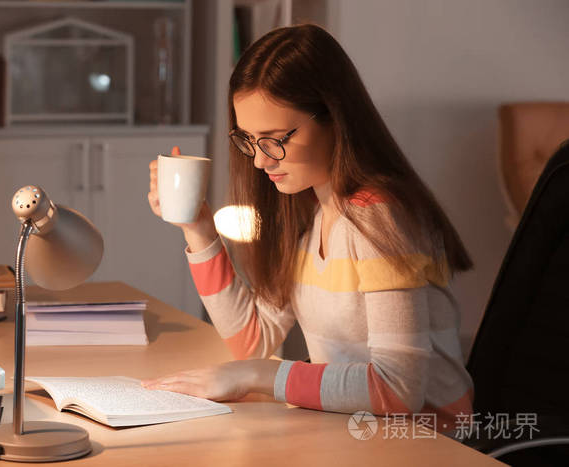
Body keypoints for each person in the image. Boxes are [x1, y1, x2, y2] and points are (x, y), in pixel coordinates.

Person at [143, 24, 474, 434]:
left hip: (427, 440)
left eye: (275, 138)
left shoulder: (378, 216)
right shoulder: (312, 214)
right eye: (248, 140)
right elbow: (252, 339)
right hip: (358, 430)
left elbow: (398, 389)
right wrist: (197, 228)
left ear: (334, 117)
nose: (261, 161)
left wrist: (255, 376)